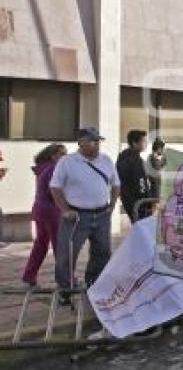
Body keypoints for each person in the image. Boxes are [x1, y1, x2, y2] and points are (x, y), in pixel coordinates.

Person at [50, 127, 120, 301]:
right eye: (93, 141)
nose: (97, 145)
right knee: (67, 254)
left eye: (98, 142)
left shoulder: (106, 160)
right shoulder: (67, 162)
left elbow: (116, 183)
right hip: (77, 216)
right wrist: (65, 210)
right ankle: (65, 290)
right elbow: (55, 187)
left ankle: (93, 284)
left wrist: (112, 205)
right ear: (81, 143)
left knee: (102, 252)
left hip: (102, 214)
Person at [21, 144, 67, 287]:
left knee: (41, 244)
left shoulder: (41, 168)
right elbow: (53, 192)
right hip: (52, 210)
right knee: (60, 246)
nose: (65, 157)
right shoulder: (53, 169)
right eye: (62, 154)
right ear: (53, 155)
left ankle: (29, 275)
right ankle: (65, 279)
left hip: (39, 209)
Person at [117, 130, 153, 224]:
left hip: (131, 201)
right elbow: (140, 182)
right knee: (144, 230)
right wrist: (148, 201)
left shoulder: (126, 157)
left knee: (140, 229)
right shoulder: (133, 160)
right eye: (144, 141)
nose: (146, 144)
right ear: (134, 143)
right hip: (138, 203)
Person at [145, 138, 167, 202]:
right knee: (155, 200)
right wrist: (163, 159)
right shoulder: (153, 156)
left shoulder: (153, 156)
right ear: (159, 148)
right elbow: (157, 166)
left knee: (155, 199)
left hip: (154, 180)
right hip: (153, 180)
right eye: (162, 148)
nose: (163, 150)